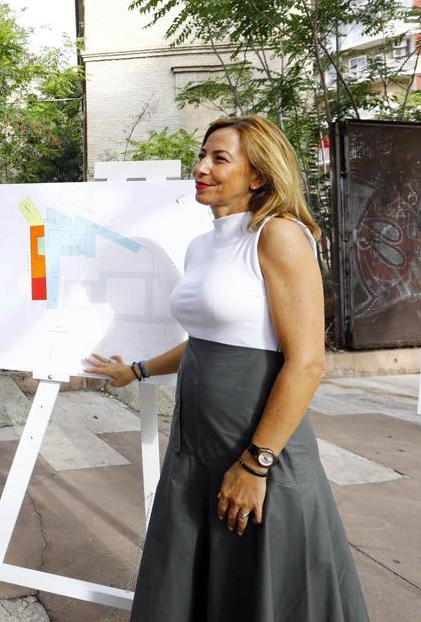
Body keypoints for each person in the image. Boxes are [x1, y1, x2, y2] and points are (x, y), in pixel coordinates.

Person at [87, 115, 369, 622]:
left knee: (265, 586)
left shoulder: (278, 235)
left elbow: (307, 362)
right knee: (197, 578)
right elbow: (206, 339)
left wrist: (256, 463)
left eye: (220, 159)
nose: (202, 168)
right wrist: (139, 370)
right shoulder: (203, 245)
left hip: (257, 445)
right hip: (195, 445)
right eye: (202, 155)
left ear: (258, 174)